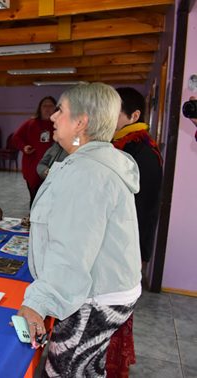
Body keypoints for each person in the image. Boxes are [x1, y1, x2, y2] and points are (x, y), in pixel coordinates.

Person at [17, 83, 142, 377]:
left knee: (63, 370)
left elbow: (71, 251)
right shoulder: (93, 162)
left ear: (81, 122)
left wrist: (38, 304)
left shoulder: (86, 173)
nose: (53, 117)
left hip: (96, 296)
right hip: (111, 286)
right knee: (86, 368)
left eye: (61, 110)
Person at [105, 87, 163, 377]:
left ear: (133, 115)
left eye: (114, 111)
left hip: (124, 251)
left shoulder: (143, 152)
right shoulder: (120, 145)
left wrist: (140, 255)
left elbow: (145, 211)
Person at [12, 96, 56, 206]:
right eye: (44, 106)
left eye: (50, 106)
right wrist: (24, 147)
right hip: (32, 167)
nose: (47, 108)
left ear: (56, 109)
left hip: (52, 168)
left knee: (49, 201)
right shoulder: (31, 123)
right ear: (39, 108)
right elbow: (16, 137)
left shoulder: (59, 125)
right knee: (35, 199)